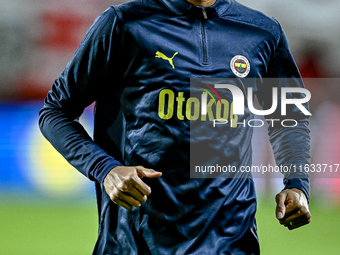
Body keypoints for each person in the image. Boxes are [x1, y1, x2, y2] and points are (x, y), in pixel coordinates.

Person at [39, 0, 312, 254]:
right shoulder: (125, 24)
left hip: (232, 241)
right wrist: (106, 169)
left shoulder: (262, 32)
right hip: (137, 241)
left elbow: (290, 116)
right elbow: (55, 111)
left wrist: (297, 184)